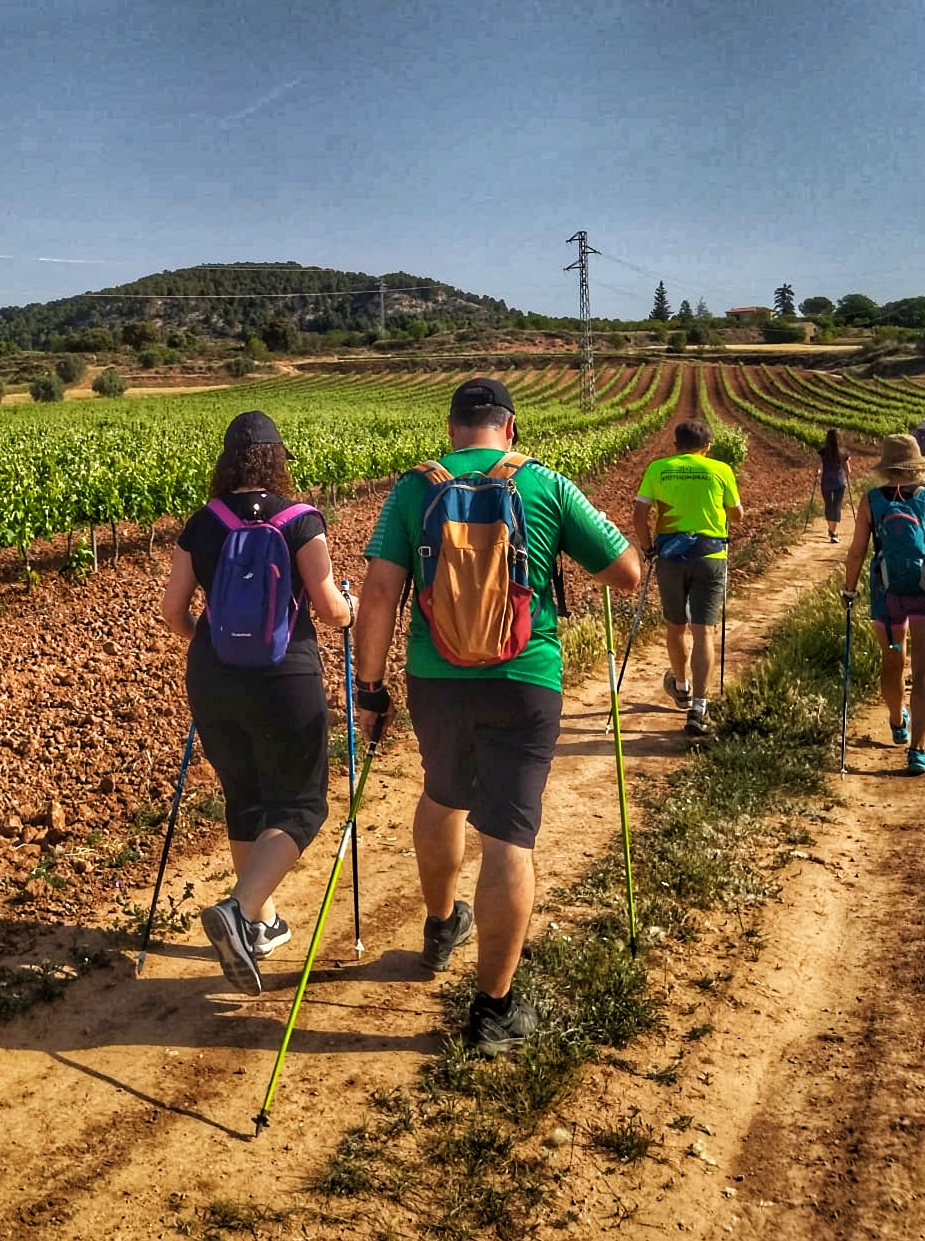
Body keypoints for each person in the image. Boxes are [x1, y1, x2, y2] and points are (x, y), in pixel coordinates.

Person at [353, 377, 640, 1058]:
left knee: (443, 793)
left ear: (453, 429)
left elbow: (379, 591)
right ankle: (493, 1011)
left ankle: (437, 926)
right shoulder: (543, 484)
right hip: (523, 678)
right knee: (509, 837)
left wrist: (369, 689)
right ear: (509, 428)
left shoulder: (413, 486)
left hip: (435, 678)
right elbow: (626, 572)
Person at [160, 411, 355, 995]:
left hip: (214, 678)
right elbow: (327, 608)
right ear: (278, 460)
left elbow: (172, 612)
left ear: (226, 461)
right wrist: (348, 606)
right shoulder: (301, 521)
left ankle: (262, 923)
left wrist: (214, 645)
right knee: (300, 806)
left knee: (243, 797)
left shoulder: (203, 523)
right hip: (284, 676)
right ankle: (241, 910)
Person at [843, 433, 925, 775]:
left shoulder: (871, 501)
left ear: (887, 467)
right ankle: (917, 753)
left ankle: (897, 722)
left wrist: (849, 591)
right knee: (924, 672)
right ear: (916, 465)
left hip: (886, 591)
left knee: (893, 661)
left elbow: (856, 552)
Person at [632, 420, 744, 739]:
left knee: (675, 626)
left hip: (670, 556)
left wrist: (647, 547)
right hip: (710, 556)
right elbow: (737, 515)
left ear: (675, 445)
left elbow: (638, 515)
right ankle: (699, 707)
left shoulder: (659, 469)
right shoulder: (720, 469)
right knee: (703, 631)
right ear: (706, 447)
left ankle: (680, 687)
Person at [816, 429, 852, 544]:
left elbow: (818, 467)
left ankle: (831, 530)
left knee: (828, 505)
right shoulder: (843, 453)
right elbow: (848, 471)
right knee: (836, 505)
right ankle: (833, 532)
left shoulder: (823, 452)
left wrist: (817, 472)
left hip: (826, 482)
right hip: (839, 482)